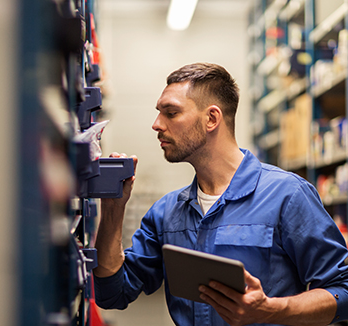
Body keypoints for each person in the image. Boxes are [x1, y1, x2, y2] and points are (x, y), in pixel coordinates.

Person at [93, 63, 348, 326]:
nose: (157, 125)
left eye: (171, 113)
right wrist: (113, 209)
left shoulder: (287, 195)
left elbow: (343, 291)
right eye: (159, 113)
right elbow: (112, 294)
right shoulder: (166, 212)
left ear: (212, 119)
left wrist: (272, 309)